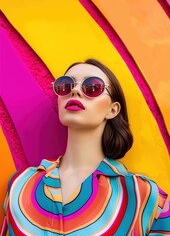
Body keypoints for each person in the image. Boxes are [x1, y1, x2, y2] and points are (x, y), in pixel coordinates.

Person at [1, 59, 170, 235]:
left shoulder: (143, 196)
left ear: (112, 110)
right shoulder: (19, 186)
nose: (74, 91)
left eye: (92, 87)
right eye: (65, 85)